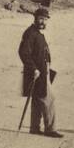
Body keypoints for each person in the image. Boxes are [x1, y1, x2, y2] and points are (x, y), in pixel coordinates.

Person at [18, 7, 61, 137]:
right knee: (49, 99)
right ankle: (50, 129)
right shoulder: (30, 33)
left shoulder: (37, 33)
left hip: (43, 71)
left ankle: (34, 128)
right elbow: (23, 52)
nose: (43, 22)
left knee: (37, 99)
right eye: (41, 19)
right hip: (37, 73)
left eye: (45, 19)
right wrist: (34, 69)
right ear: (35, 18)